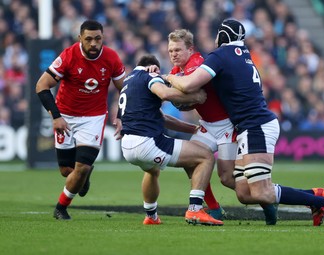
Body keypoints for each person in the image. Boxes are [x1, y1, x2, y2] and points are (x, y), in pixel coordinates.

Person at [165, 19, 324, 226]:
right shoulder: (244, 55)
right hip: (248, 127)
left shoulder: (221, 55)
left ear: (223, 36)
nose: (215, 39)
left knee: (262, 191)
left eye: (218, 34)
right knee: (244, 192)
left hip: (256, 126)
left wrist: (166, 78)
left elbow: (188, 85)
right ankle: (315, 196)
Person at [167, 28, 278, 224]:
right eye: (170, 51)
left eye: (177, 50)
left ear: (190, 50)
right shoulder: (178, 71)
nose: (173, 54)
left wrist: (166, 82)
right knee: (189, 160)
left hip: (227, 125)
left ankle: (267, 200)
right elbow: (184, 98)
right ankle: (214, 208)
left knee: (227, 178)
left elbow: (190, 93)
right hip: (208, 125)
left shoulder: (196, 63)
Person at [36, 20, 126, 220]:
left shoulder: (111, 58)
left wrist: (121, 116)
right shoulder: (68, 56)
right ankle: (83, 176)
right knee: (67, 170)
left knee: (82, 166)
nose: (93, 43)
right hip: (65, 115)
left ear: (103, 37)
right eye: (89, 39)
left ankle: (61, 207)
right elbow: (41, 85)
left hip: (93, 117)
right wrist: (56, 117)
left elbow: (124, 89)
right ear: (80, 39)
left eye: (98, 39)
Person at [119, 54, 223, 226]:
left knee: (152, 171)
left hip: (128, 146)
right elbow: (165, 93)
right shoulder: (149, 76)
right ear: (153, 68)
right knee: (206, 157)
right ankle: (195, 209)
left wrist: (192, 129)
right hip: (148, 143)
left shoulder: (129, 81)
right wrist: (194, 97)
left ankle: (151, 216)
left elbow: (163, 119)